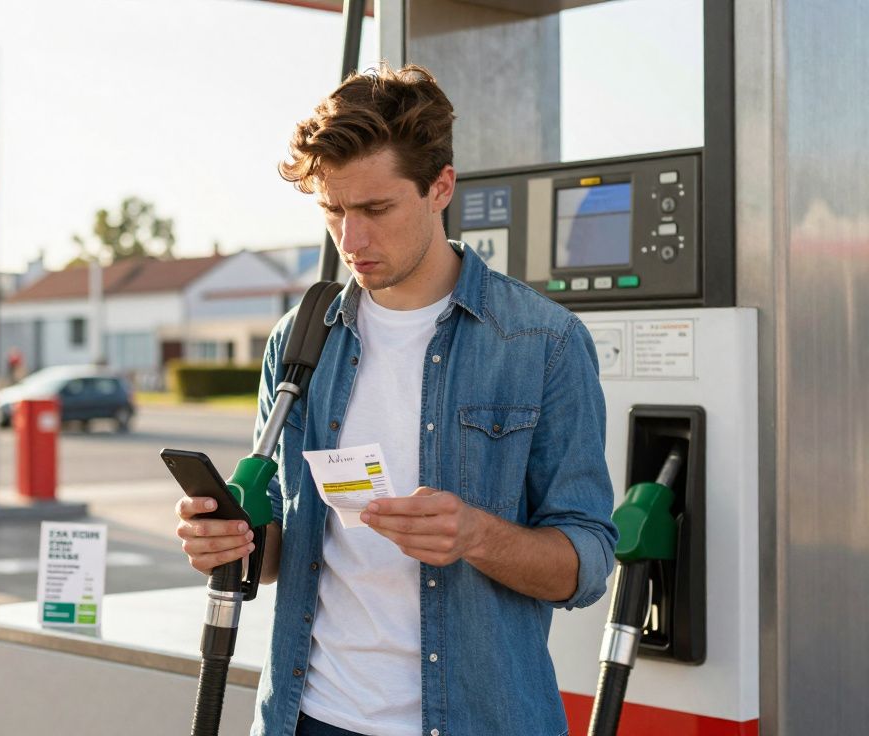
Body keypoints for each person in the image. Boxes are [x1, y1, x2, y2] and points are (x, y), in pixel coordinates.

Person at [174, 64, 616, 736]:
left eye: (376, 210)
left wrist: (477, 535)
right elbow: (272, 560)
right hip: (309, 718)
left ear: (441, 187)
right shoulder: (298, 341)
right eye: (332, 211)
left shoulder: (542, 343)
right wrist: (228, 541)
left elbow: (586, 566)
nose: (350, 241)